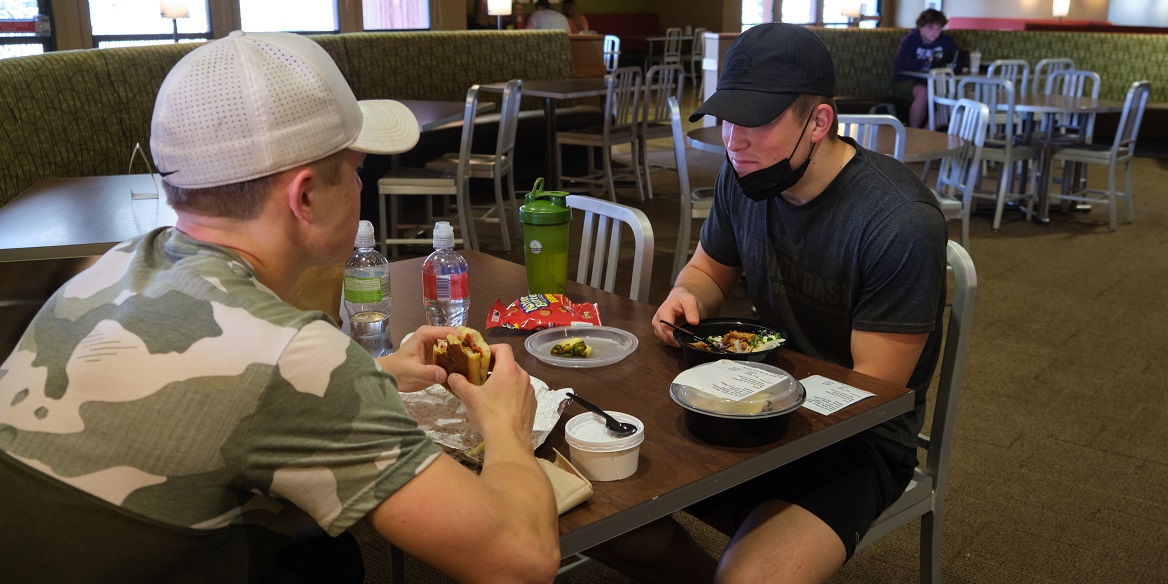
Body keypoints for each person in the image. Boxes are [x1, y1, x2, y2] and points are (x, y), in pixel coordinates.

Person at [0, 31, 560, 583]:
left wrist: (377, 374)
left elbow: (214, 396)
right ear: (307, 196)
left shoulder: (111, 267)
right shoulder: (294, 356)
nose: (361, 185)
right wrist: (505, 422)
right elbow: (521, 561)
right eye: (358, 169)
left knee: (322, 552)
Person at [588, 23, 948, 583]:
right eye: (729, 119)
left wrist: (750, 402)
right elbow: (708, 270)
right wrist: (685, 295)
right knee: (590, 497)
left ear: (819, 123)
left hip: (856, 440)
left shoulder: (897, 221)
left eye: (756, 122)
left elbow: (871, 390)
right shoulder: (747, 178)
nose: (734, 141)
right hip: (746, 397)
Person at [892, 8, 960, 128]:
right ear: (920, 26)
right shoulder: (910, 40)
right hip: (906, 81)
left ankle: (926, 132)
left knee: (952, 99)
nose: (935, 32)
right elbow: (900, 63)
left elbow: (956, 59)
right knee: (924, 92)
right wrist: (925, 62)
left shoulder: (946, 41)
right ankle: (913, 132)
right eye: (931, 28)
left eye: (938, 28)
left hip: (936, 82)